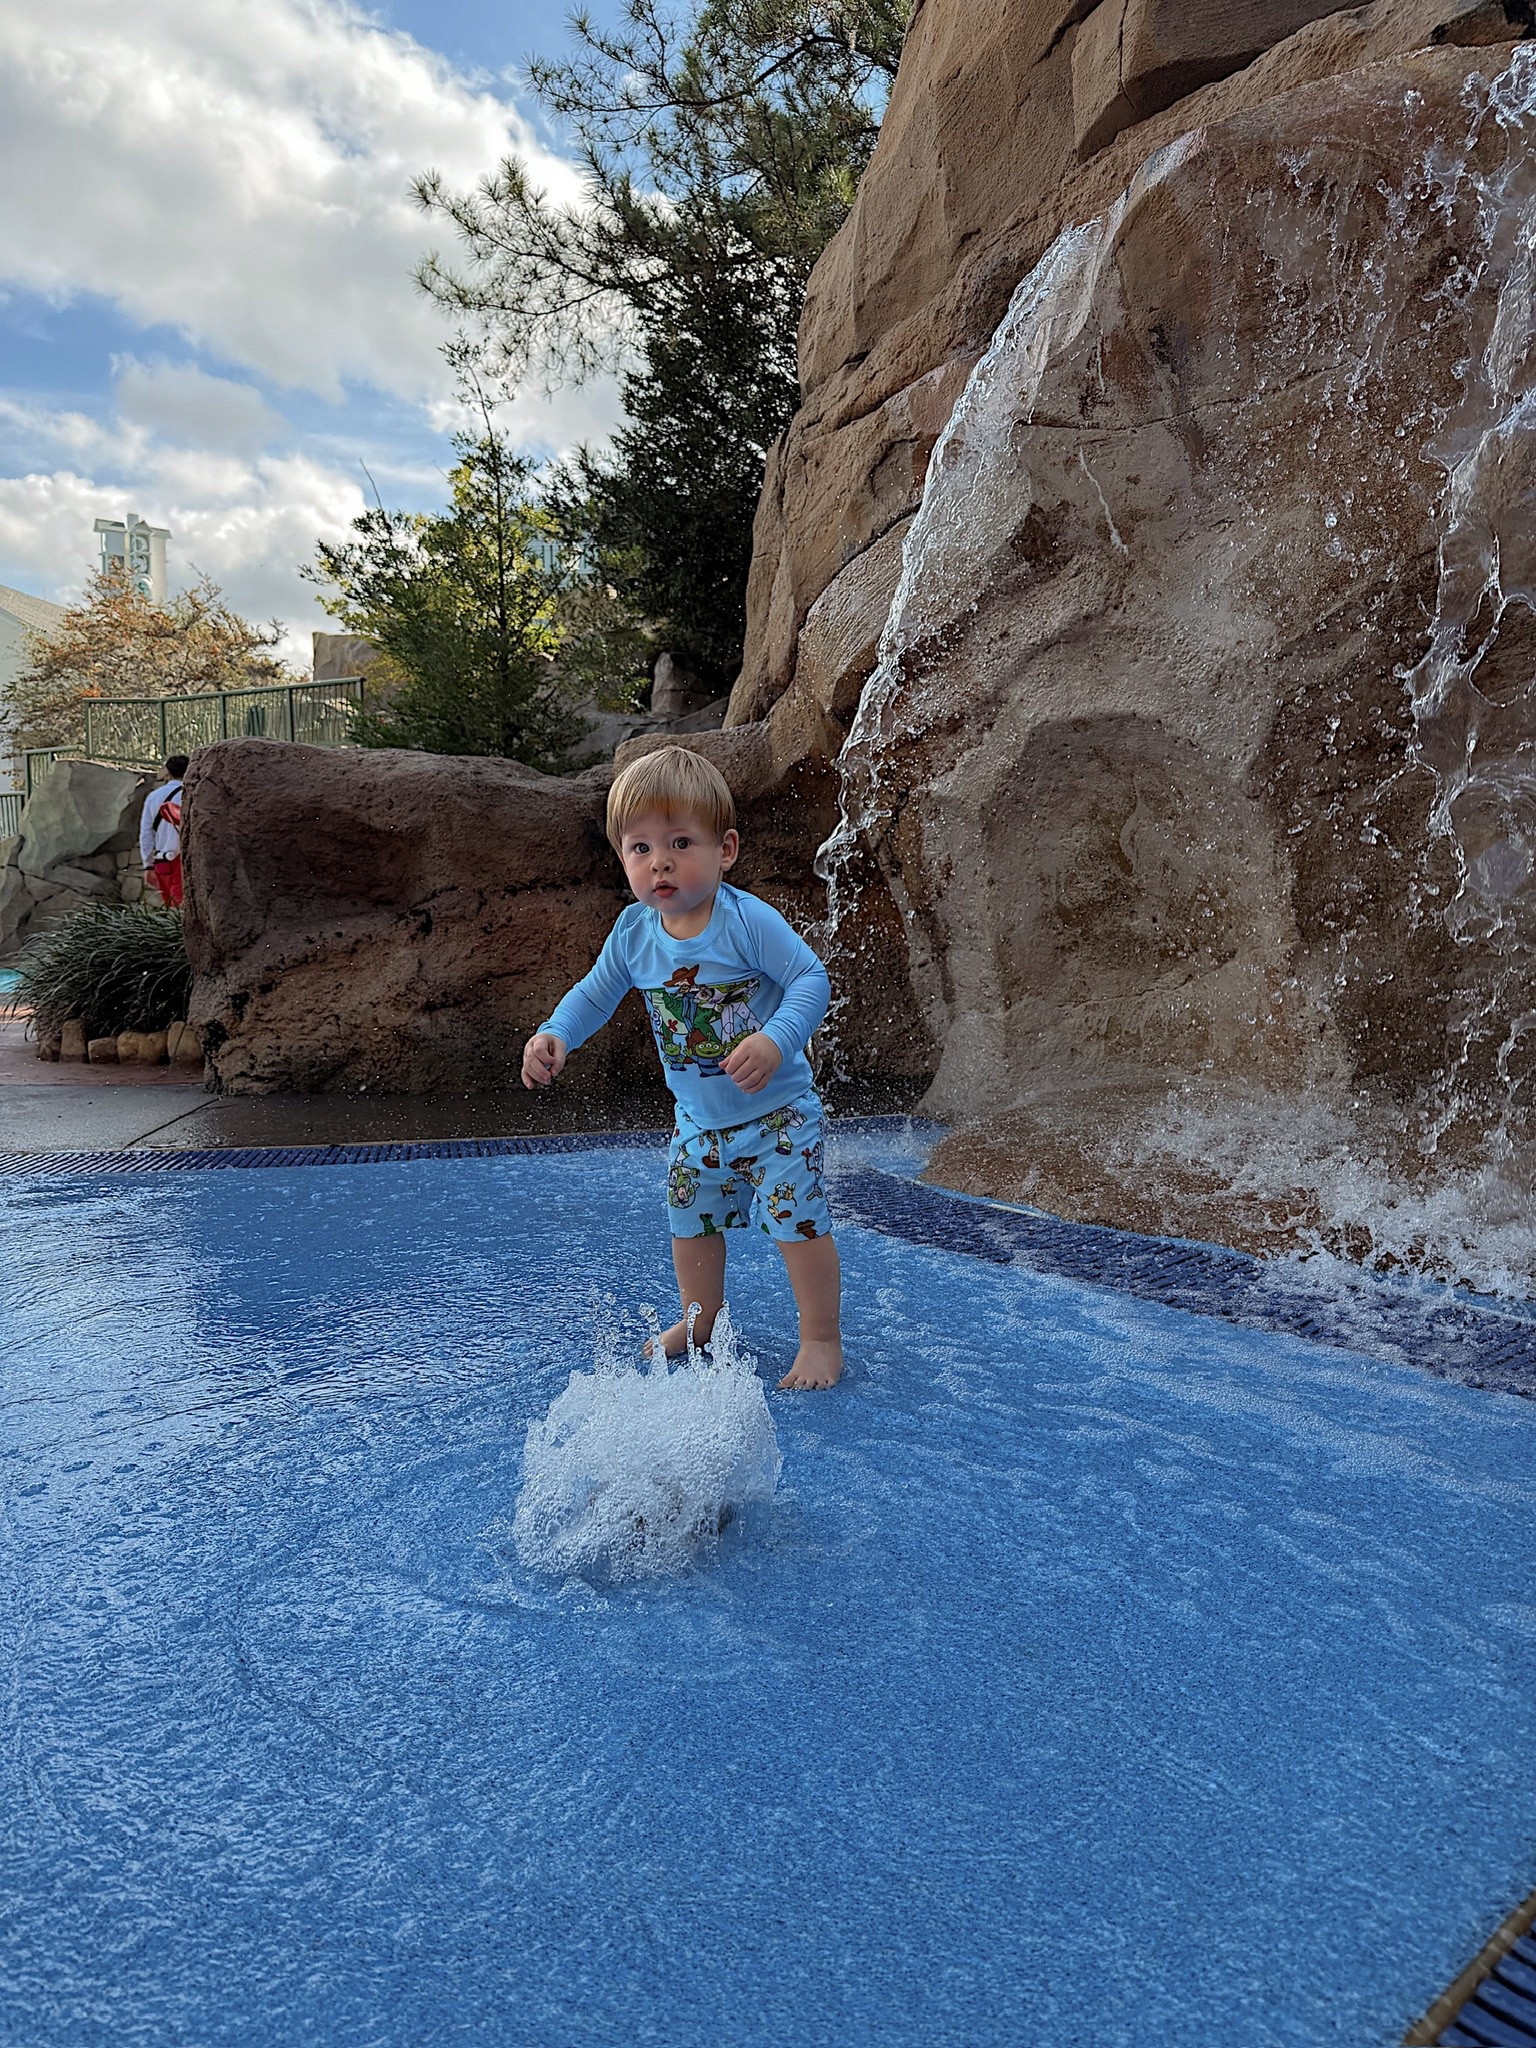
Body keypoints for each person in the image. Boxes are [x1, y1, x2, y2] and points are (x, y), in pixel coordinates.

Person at [523, 745, 844, 1391]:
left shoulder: (745, 922)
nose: (659, 861)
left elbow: (811, 976)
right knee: (689, 1221)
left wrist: (778, 1038)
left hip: (776, 1115)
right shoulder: (633, 932)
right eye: (639, 847)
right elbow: (595, 993)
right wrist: (557, 1031)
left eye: (678, 842)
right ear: (622, 858)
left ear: (724, 849)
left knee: (799, 1226)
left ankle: (820, 1338)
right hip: (698, 1122)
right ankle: (701, 1319)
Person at [138, 754, 188, 908]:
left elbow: (146, 833)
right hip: (184, 861)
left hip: (162, 862)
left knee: (169, 909)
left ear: (168, 772)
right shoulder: (191, 794)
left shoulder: (153, 797)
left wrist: (148, 865)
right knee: (183, 910)